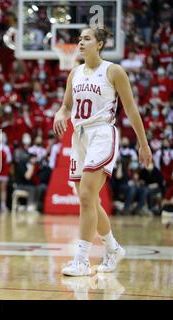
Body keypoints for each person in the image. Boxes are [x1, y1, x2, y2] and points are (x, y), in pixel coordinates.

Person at [53, 27, 152, 276]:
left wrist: (143, 143)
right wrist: (60, 113)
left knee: (86, 196)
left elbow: (131, 108)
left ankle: (82, 260)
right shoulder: (74, 73)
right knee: (89, 200)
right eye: (80, 38)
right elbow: (66, 106)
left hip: (102, 133)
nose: (81, 41)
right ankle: (112, 247)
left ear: (99, 44)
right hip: (79, 136)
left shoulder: (113, 71)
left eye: (86, 38)